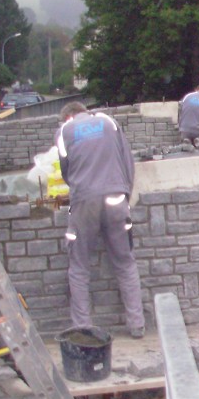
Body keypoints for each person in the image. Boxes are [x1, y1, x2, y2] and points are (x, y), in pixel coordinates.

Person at [56, 102, 145, 338]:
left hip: (84, 202)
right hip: (116, 198)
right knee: (125, 262)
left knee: (79, 266)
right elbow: (127, 161)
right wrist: (126, 195)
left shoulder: (65, 131)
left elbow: (66, 172)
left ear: (68, 116)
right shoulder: (109, 122)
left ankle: (83, 328)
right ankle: (136, 325)